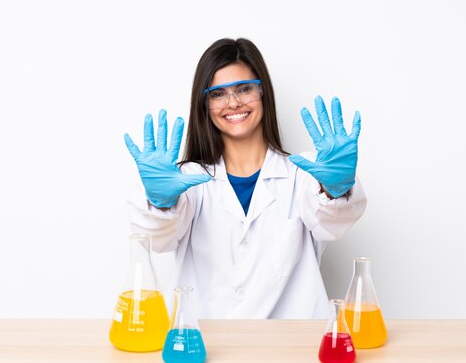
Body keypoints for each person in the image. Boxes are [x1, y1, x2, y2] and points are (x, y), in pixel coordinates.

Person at [124, 38, 366, 319]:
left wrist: (335, 190)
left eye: (244, 89)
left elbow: (333, 226)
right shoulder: (187, 181)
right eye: (218, 94)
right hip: (202, 346)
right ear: (203, 103)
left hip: (292, 348)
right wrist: (161, 204)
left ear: (263, 93)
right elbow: (156, 240)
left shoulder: (304, 174)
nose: (234, 102)